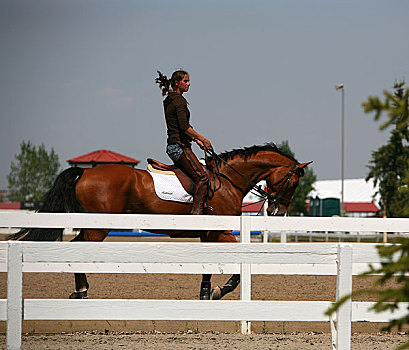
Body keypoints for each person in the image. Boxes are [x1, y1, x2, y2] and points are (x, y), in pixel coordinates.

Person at [155, 70, 211, 215]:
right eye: (185, 81)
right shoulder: (179, 101)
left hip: (174, 145)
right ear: (176, 83)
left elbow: (182, 127)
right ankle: (197, 213)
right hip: (178, 147)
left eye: (188, 81)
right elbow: (185, 127)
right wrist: (203, 138)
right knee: (203, 177)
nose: (188, 84)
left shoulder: (171, 99)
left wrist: (196, 139)